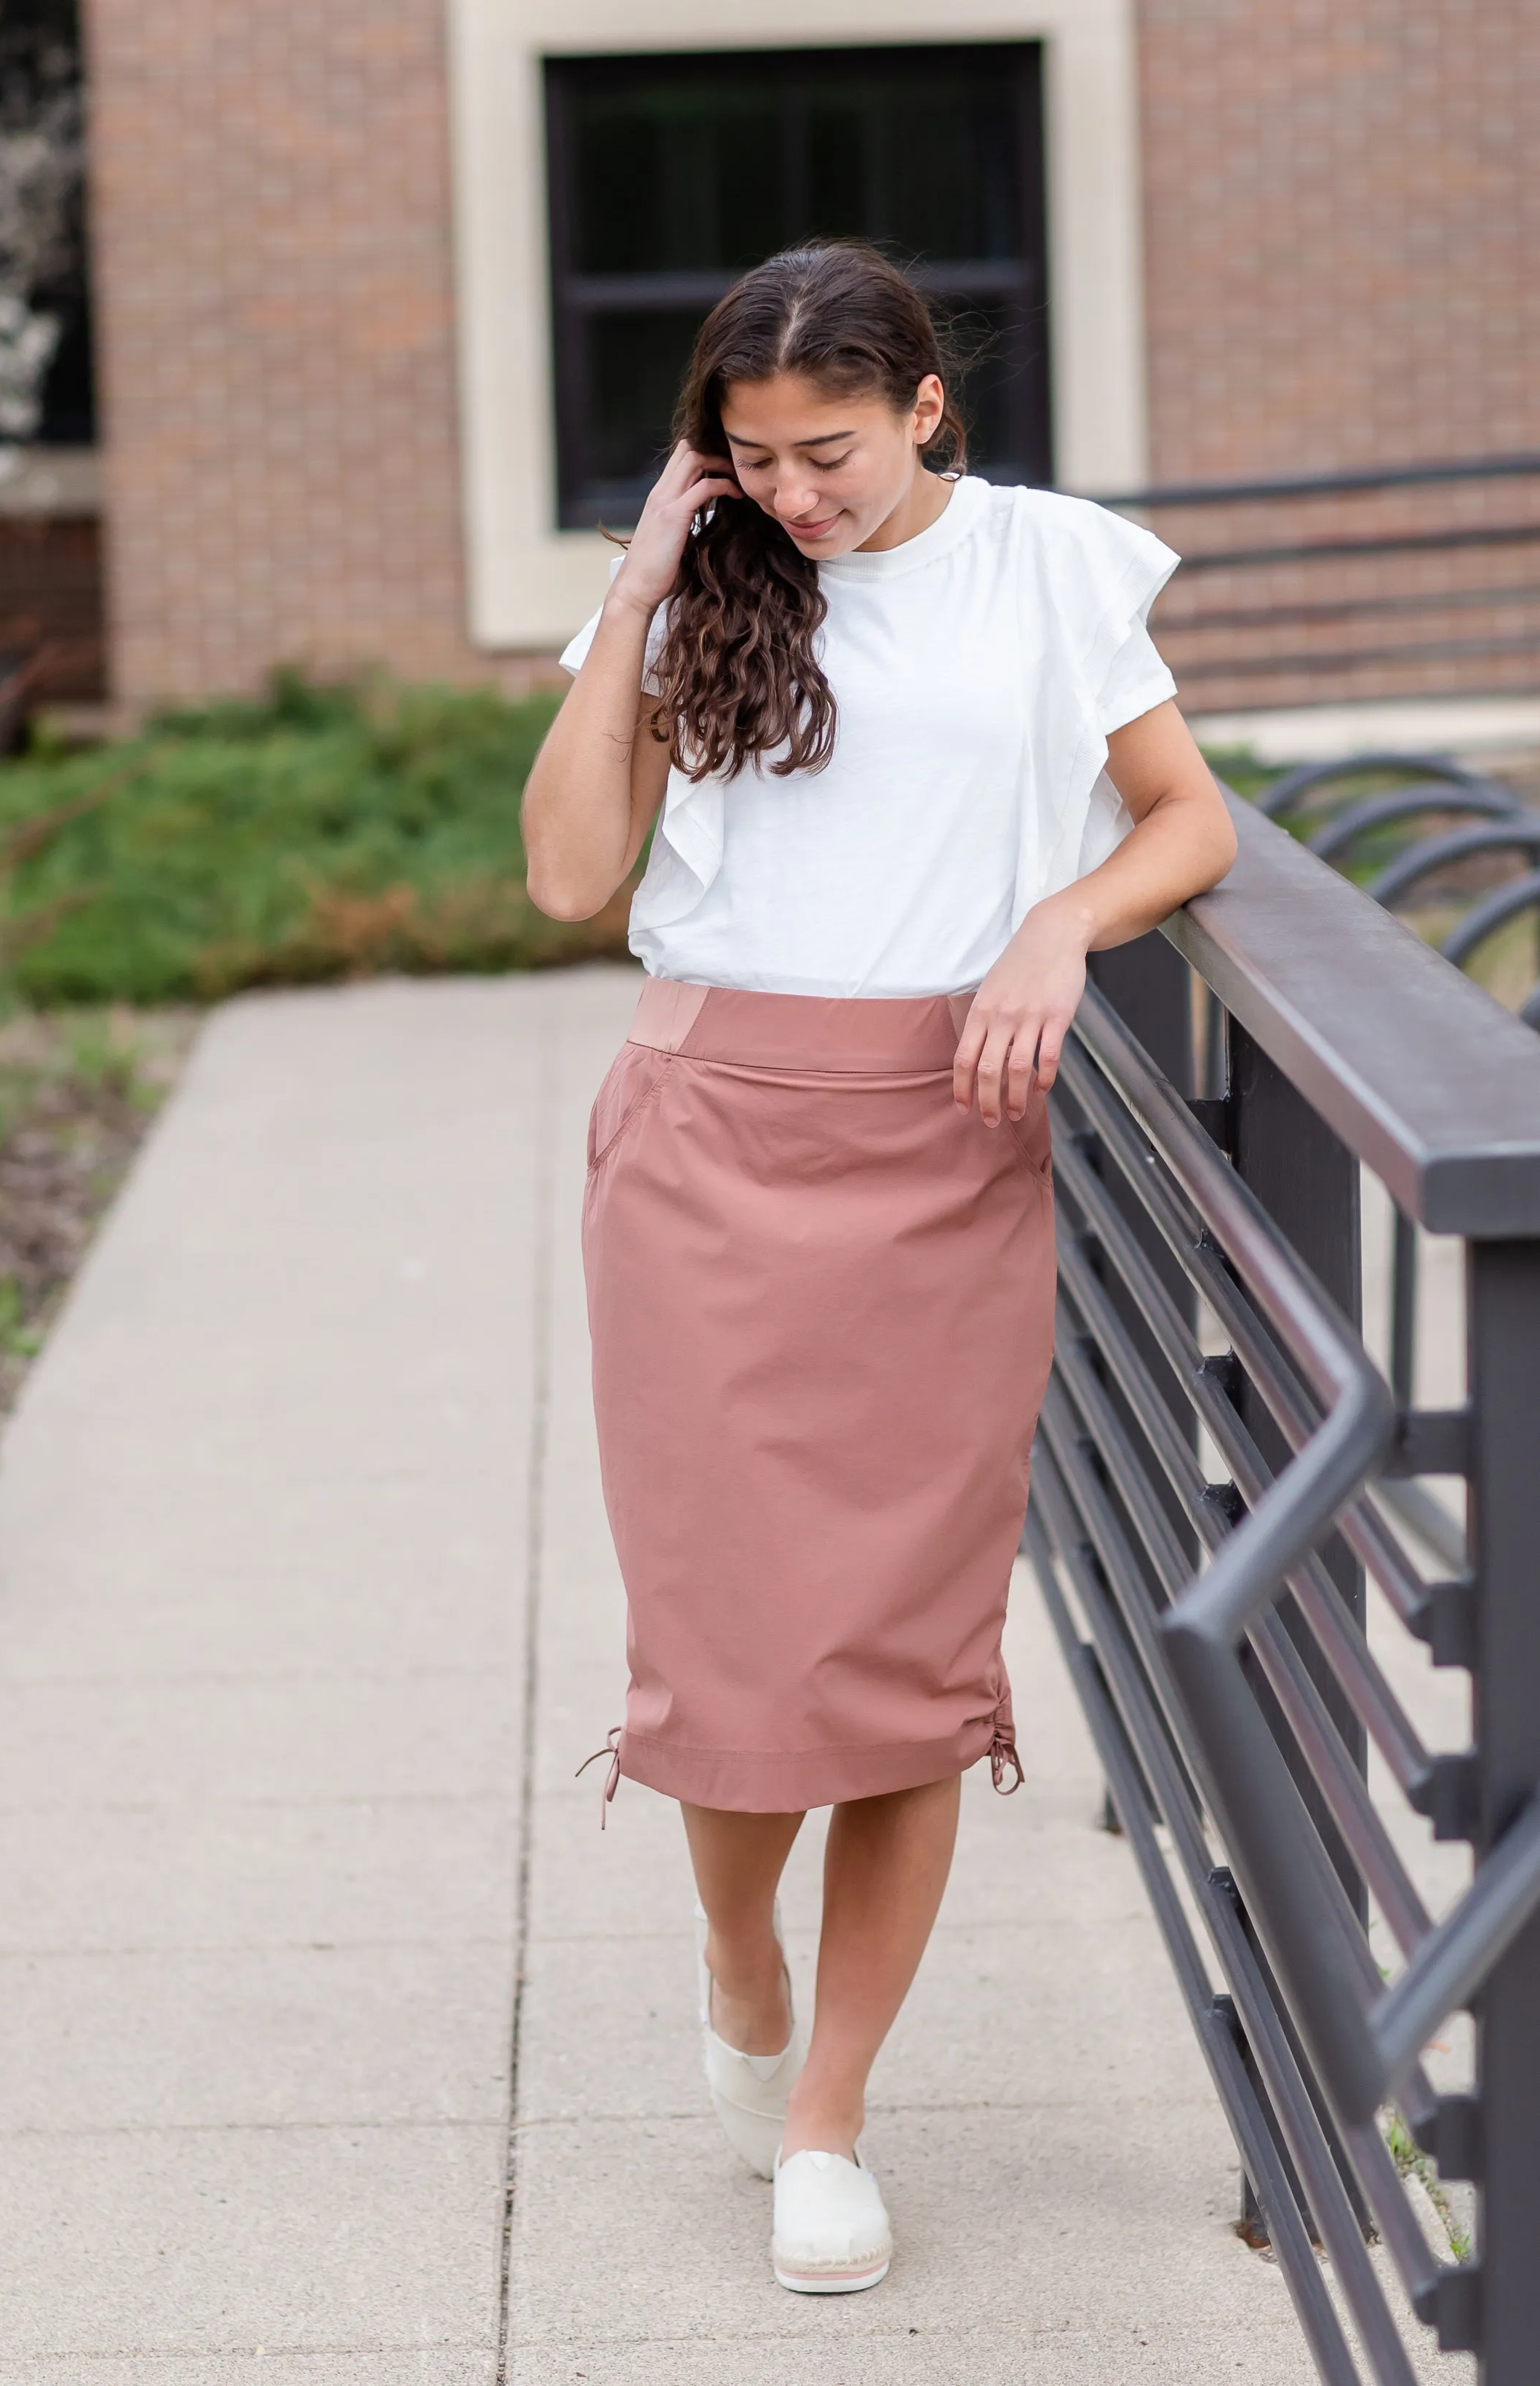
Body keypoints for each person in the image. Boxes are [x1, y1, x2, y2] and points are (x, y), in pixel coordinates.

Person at [522, 240, 1236, 2296]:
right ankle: (740, 1960)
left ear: (927, 403)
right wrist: (646, 585)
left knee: (913, 1674)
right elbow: (572, 875)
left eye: (825, 450)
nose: (793, 491)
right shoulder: (705, 582)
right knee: (738, 1655)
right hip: (706, 1149)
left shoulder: (1049, 570)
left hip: (945, 1151)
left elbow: (1186, 818)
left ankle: (829, 2116)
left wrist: (1057, 924)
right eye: (746, 456)